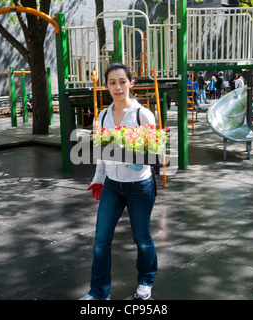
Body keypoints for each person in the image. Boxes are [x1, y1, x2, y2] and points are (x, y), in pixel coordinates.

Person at [80, 63, 158, 301]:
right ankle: (98, 293)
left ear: (131, 83)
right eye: (112, 82)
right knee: (100, 242)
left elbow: (154, 154)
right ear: (106, 86)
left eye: (122, 81)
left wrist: (130, 153)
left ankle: (146, 282)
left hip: (139, 186)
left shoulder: (142, 114)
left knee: (142, 239)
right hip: (113, 185)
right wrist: (98, 178)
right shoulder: (103, 115)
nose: (117, 87)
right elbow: (101, 152)